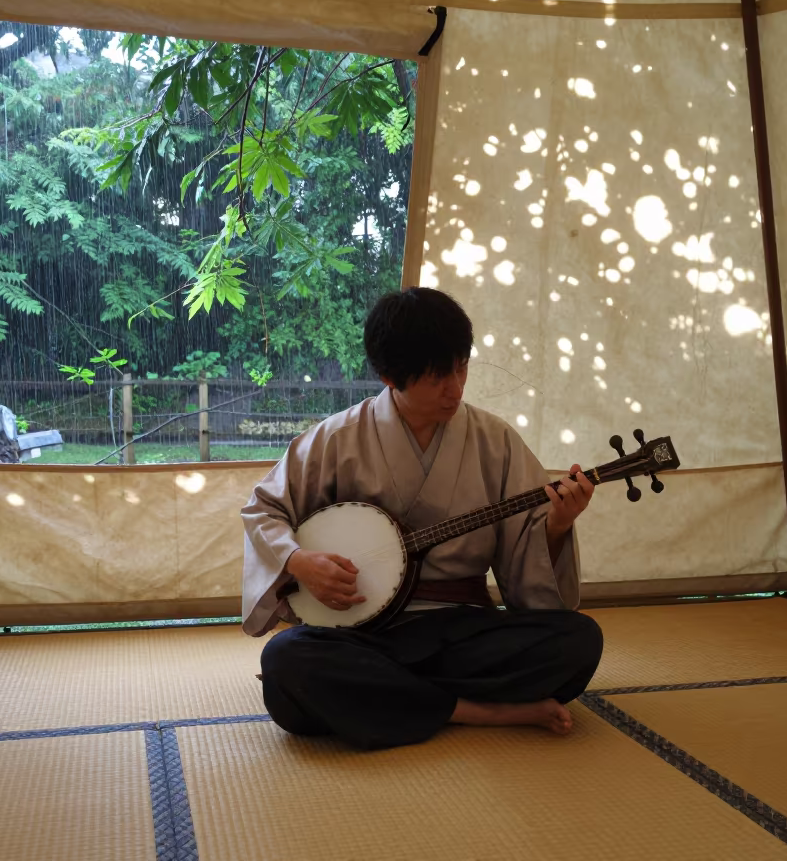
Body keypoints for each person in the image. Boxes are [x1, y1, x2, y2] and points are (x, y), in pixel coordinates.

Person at [239, 287, 603, 750]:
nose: (456, 388)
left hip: (462, 630)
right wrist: (298, 561)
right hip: (366, 634)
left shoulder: (497, 441)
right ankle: (476, 711)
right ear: (391, 376)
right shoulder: (336, 439)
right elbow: (264, 510)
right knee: (287, 658)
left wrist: (556, 525)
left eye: (461, 367)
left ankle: (390, 700)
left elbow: (526, 562)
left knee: (579, 640)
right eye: (437, 377)